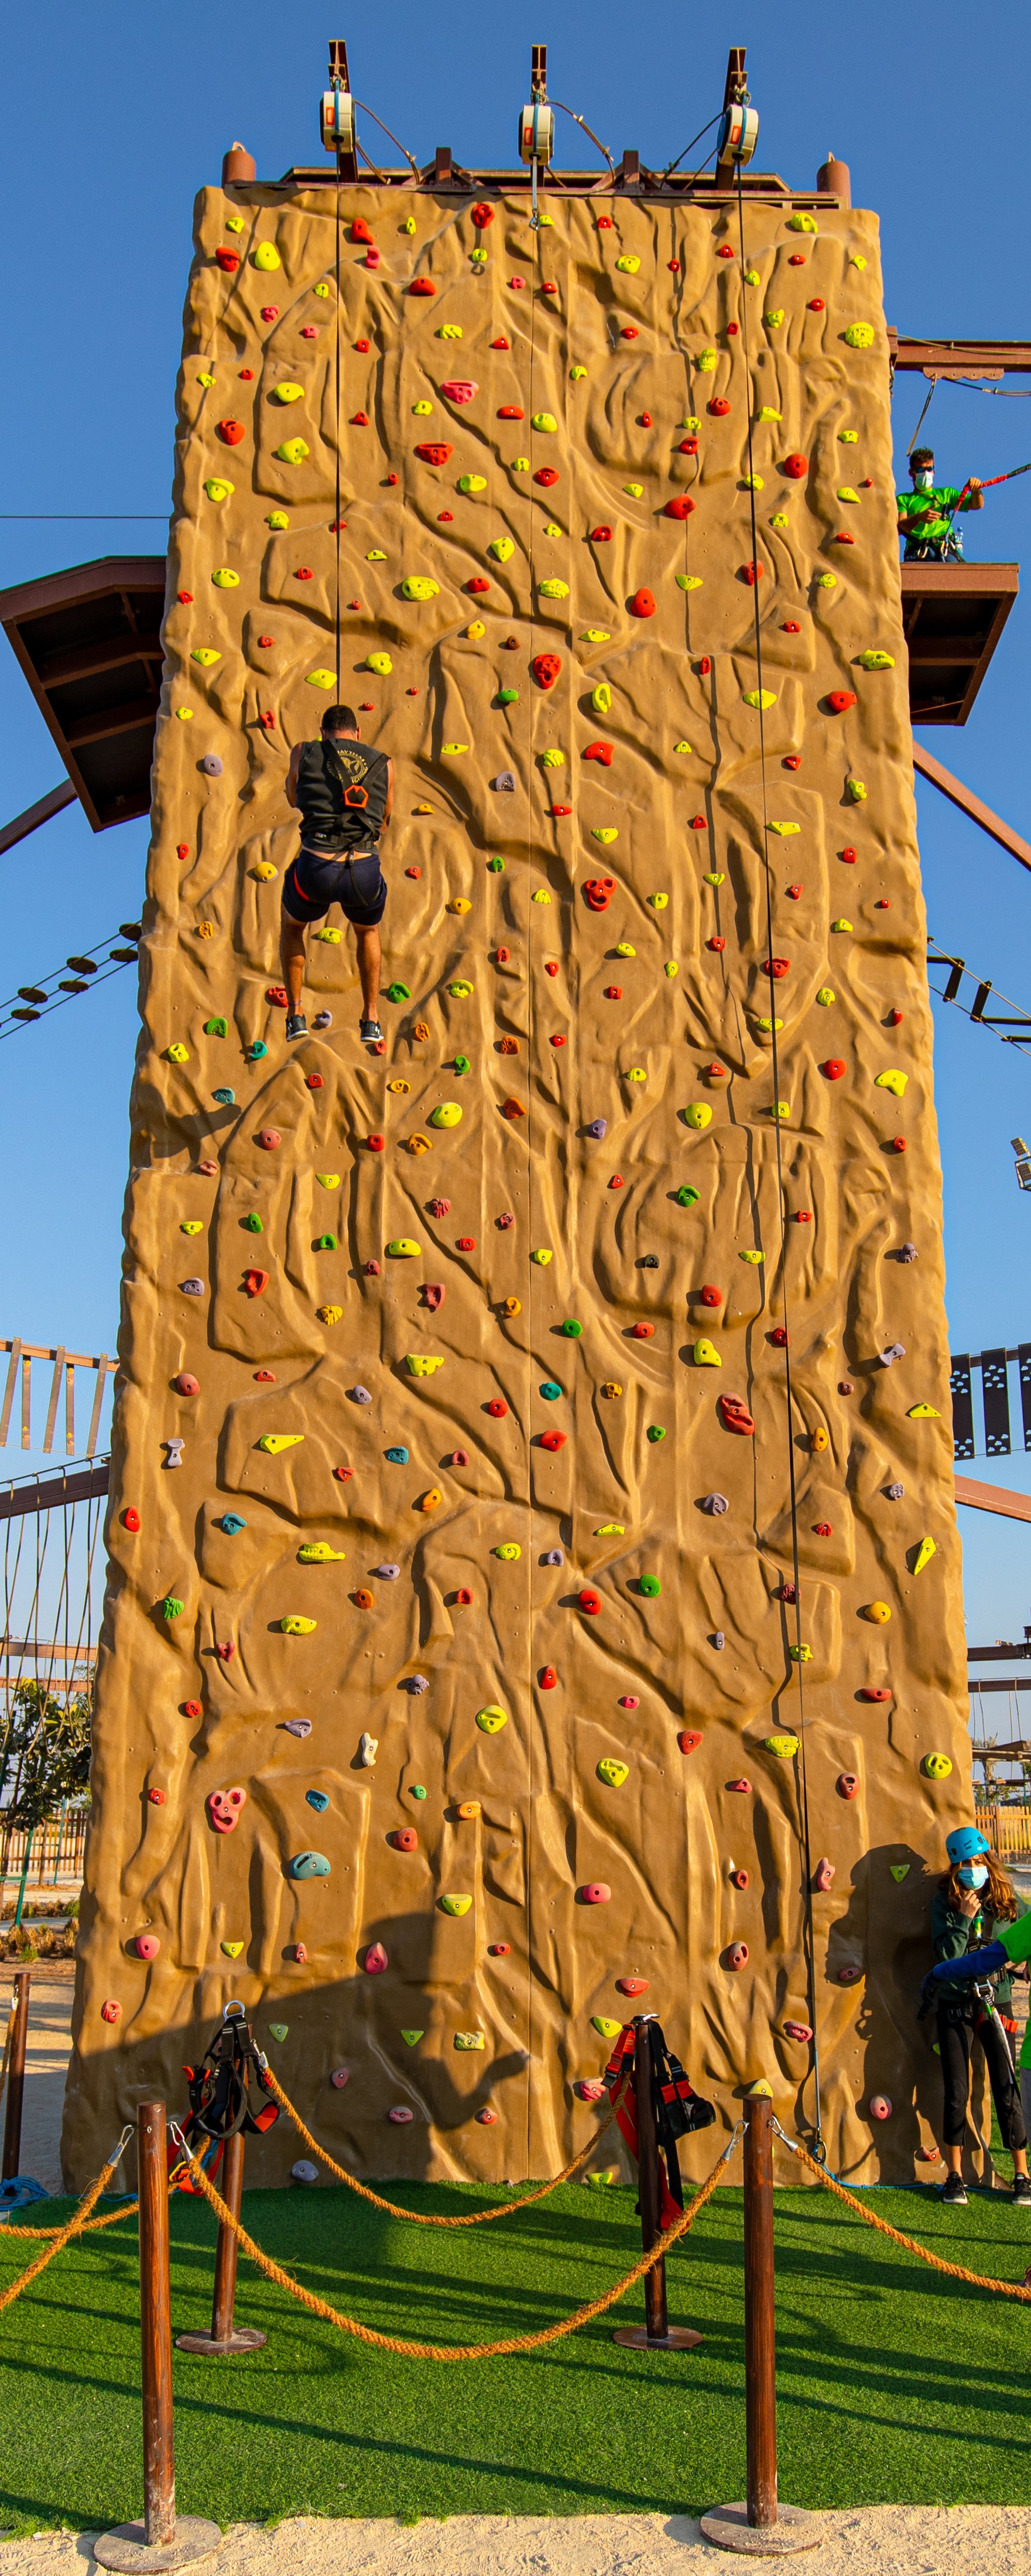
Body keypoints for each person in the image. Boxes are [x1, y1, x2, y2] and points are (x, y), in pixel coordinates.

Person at [924, 1825, 1030, 2206]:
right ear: (954, 1867)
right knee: (956, 2089)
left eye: (977, 1861)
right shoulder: (945, 1902)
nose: (972, 1868)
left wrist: (1022, 1964)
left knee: (1005, 2086)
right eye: (964, 1863)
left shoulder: (1009, 1901)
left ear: (987, 1861)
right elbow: (948, 1959)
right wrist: (964, 1920)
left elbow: (1026, 1936)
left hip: (995, 1999)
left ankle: (1021, 2174)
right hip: (955, 2001)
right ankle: (954, 2177)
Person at [280, 703, 393, 1046]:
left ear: (323, 733)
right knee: (368, 932)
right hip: (364, 870)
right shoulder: (385, 765)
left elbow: (292, 797)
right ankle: (371, 1018)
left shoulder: (304, 751)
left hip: (317, 868)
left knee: (292, 926)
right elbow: (384, 823)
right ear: (357, 734)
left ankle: (295, 1014)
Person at [896, 446, 984, 562]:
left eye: (929, 469)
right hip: (918, 552)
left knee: (957, 577)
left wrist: (976, 489)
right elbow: (899, 528)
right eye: (920, 469)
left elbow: (976, 504)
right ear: (911, 473)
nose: (926, 473)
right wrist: (919, 518)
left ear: (934, 471)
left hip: (945, 550)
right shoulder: (904, 499)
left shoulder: (946, 494)